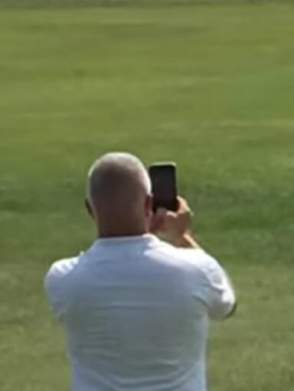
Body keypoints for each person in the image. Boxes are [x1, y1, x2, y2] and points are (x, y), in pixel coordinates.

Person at [44, 152, 236, 391]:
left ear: (89, 209)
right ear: (149, 204)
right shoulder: (196, 269)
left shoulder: (62, 279)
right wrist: (182, 237)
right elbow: (226, 305)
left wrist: (142, 236)